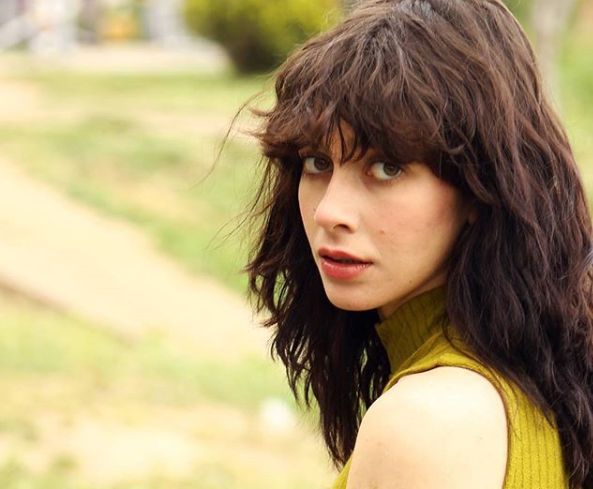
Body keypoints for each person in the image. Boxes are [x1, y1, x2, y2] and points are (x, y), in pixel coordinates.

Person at [238, 0, 593, 487]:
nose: (329, 212)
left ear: (479, 189)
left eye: (387, 168)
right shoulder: (541, 372)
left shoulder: (425, 424)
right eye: (317, 162)